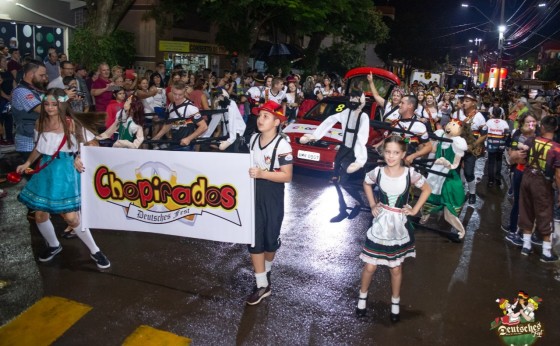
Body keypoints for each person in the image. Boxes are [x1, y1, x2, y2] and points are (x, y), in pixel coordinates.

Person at [15, 88, 111, 269]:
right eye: (47, 104)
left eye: (54, 104)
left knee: (72, 218)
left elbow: (93, 143)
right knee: (40, 214)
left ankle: (95, 250)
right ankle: (53, 245)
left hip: (66, 172)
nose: (50, 108)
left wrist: (79, 157)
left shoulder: (72, 124)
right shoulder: (40, 123)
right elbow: (39, 147)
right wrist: (28, 162)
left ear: (63, 104)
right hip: (46, 170)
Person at [356, 136, 431, 322]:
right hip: (380, 223)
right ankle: (362, 298)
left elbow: (427, 189)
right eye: (388, 152)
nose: (391, 156)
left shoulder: (410, 174)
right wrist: (373, 204)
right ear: (383, 152)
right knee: (370, 265)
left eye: (395, 153)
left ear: (403, 154)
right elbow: (366, 183)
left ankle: (395, 302)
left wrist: (414, 209)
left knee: (396, 267)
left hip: (399, 225)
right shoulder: (378, 172)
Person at [246, 100, 293, 305]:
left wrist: (262, 173)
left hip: (272, 194)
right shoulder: (253, 139)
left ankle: (267, 270)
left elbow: (287, 176)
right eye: (259, 115)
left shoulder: (282, 144)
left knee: (270, 238)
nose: (260, 119)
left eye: (266, 116)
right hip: (253, 192)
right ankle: (261, 284)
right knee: (254, 238)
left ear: (276, 121)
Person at [300, 89, 370, 222]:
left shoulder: (363, 117)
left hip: (354, 153)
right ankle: (342, 210)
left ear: (361, 101)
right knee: (335, 179)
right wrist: (314, 136)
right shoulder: (345, 113)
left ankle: (360, 204)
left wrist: (360, 160)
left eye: (355, 99)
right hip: (344, 149)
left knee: (344, 181)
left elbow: (362, 138)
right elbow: (330, 120)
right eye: (351, 98)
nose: (352, 101)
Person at [518, 115, 560, 262]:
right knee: (545, 213)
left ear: (541, 126)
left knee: (526, 209)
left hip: (527, 177)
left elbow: (522, 158)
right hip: (542, 184)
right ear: (555, 128)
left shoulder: (531, 140)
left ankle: (526, 245)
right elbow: (558, 174)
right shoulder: (556, 149)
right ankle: (546, 252)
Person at [503, 114, 537, 247]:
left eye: (534, 122)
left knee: (531, 204)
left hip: (534, 176)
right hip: (520, 173)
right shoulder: (518, 137)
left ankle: (525, 231)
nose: (531, 125)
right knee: (519, 202)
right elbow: (513, 158)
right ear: (522, 124)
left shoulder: (539, 138)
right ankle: (512, 231)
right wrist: (517, 155)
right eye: (528, 122)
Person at [151, 81, 208, 151]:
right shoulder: (171, 106)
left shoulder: (191, 108)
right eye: (175, 94)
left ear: (184, 93)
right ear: (171, 91)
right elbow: (171, 123)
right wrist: (157, 136)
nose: (177, 97)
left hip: (186, 147)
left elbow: (204, 126)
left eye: (180, 95)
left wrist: (189, 139)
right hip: (174, 144)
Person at [11, 60, 47, 162]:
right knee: (32, 177)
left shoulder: (37, 90)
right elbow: (43, 109)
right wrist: (64, 97)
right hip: (28, 144)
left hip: (38, 143)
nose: (44, 78)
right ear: (31, 74)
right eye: (41, 75)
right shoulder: (21, 91)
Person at [460, 92, 487, 204]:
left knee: (468, 172)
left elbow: (484, 134)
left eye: (467, 101)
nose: (464, 103)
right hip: (458, 147)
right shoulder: (458, 113)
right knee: (456, 171)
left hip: (471, 149)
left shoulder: (479, 117)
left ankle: (472, 193)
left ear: (474, 103)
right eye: (463, 101)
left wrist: (473, 145)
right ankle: (459, 192)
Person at [484, 105, 510, 187]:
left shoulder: (489, 122)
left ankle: (490, 181)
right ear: (501, 114)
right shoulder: (504, 123)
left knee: (491, 162)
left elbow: (484, 131)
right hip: (501, 145)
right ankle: (498, 178)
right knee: (499, 161)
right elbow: (507, 134)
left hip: (491, 145)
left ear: (492, 113)